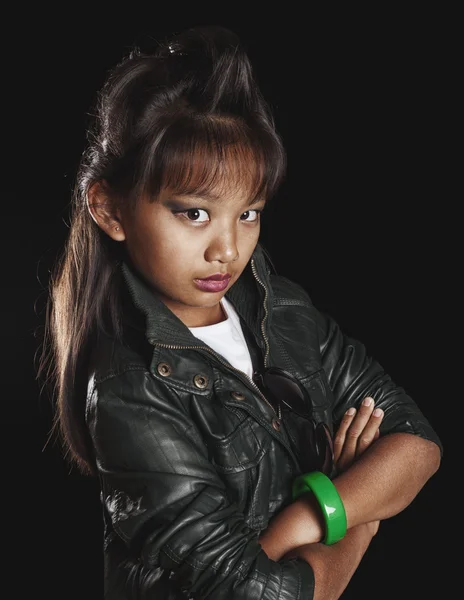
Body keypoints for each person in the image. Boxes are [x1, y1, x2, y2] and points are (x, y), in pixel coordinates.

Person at [37, 25, 443, 599]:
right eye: (195, 214)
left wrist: (313, 516)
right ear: (109, 210)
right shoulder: (130, 390)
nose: (227, 249)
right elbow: (257, 594)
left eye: (248, 213)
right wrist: (363, 514)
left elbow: (418, 445)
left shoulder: (282, 310)